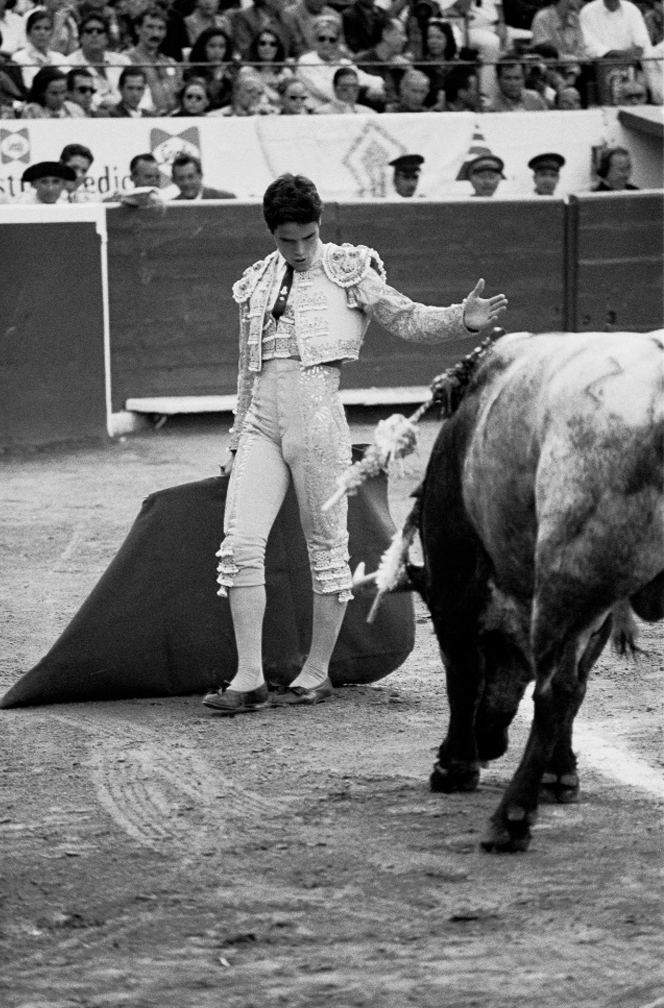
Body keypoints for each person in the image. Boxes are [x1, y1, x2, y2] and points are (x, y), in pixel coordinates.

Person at [204, 172, 508, 715]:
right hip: (259, 426)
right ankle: (247, 677)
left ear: (320, 226)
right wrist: (234, 441)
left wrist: (461, 320)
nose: (298, 250)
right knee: (240, 546)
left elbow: (406, 318)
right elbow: (246, 372)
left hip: (318, 419)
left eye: (308, 237)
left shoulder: (349, 269)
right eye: (286, 240)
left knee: (326, 547)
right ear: (272, 233)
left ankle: (316, 671)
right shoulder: (254, 282)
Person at [124, 5, 183, 115]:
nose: (156, 34)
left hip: (174, 120)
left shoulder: (171, 62)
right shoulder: (125, 60)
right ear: (138, 29)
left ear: (166, 32)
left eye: (161, 28)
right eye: (150, 27)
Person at [65, 14, 131, 112]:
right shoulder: (69, 63)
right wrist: (101, 103)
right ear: (81, 37)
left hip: (127, 113)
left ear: (107, 38)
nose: (94, 34)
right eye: (89, 31)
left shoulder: (122, 61)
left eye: (100, 31)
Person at [185, 27, 237, 111]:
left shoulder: (232, 69)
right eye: (212, 46)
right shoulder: (192, 72)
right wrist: (217, 79)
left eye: (222, 47)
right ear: (203, 47)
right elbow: (204, 102)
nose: (217, 51)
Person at [12, 9, 65, 89]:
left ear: (52, 33)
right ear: (28, 32)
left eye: (46, 29)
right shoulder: (18, 59)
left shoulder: (60, 59)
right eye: (37, 28)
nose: (42, 33)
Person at [245, 28, 294, 109]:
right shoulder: (246, 71)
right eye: (262, 43)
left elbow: (291, 100)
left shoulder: (286, 73)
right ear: (256, 46)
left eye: (273, 44)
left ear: (278, 48)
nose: (267, 47)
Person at [170, 153, 236, 199]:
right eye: (181, 178)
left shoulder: (225, 200)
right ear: (174, 180)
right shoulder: (170, 209)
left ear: (200, 176)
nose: (186, 182)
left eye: (190, 177)